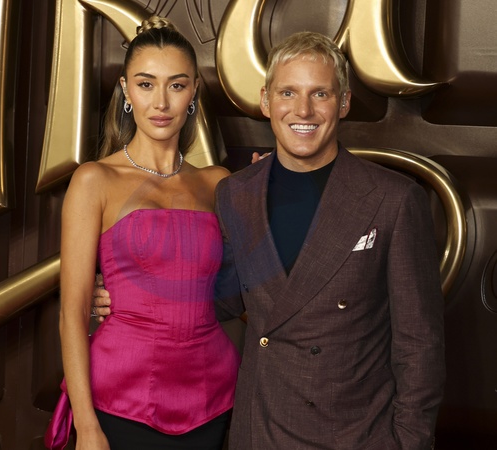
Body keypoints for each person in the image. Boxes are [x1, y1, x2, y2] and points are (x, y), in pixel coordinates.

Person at [94, 31, 446, 449]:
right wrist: (128, 293)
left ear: (344, 103)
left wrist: (407, 443)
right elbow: (222, 297)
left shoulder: (394, 199)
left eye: (320, 94)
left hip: (356, 435)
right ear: (266, 102)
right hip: (259, 429)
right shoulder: (237, 193)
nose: (303, 110)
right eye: (288, 93)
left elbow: (419, 346)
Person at [46, 16, 240, 450]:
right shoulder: (95, 180)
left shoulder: (218, 183)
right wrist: (87, 425)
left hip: (211, 395)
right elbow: (72, 313)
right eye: (146, 84)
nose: (161, 102)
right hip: (119, 397)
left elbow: (247, 288)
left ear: (194, 92)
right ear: (126, 90)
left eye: (177, 85)